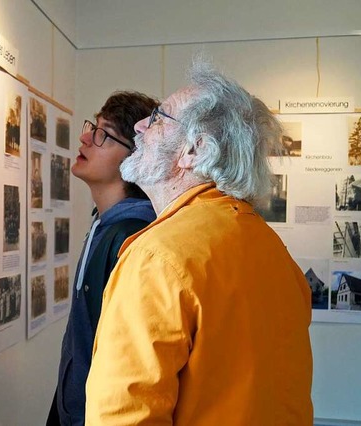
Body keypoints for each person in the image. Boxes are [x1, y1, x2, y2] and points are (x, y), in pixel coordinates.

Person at [85, 62, 313, 425]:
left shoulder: (157, 257)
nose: (141, 126)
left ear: (194, 149)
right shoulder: (272, 249)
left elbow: (125, 415)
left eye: (158, 119)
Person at [47, 91, 159, 426]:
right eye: (92, 127)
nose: (85, 138)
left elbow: (130, 362)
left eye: (103, 134)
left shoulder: (129, 238)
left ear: (134, 160)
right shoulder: (106, 226)